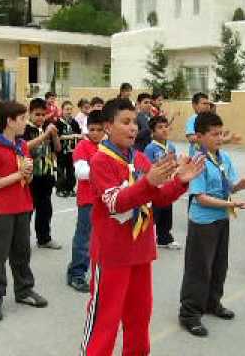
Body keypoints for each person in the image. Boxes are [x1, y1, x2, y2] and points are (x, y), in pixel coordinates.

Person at [79, 98, 205, 355]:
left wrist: (179, 181)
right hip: (113, 254)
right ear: (107, 126)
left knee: (139, 316)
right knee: (105, 320)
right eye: (125, 122)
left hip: (140, 251)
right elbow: (115, 202)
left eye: (135, 122)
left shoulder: (138, 158)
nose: (133, 128)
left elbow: (158, 197)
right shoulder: (100, 161)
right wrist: (148, 183)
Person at [179, 111, 245, 337]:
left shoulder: (224, 158)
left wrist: (240, 185)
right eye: (214, 134)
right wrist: (230, 204)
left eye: (221, 134)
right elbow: (200, 197)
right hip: (203, 221)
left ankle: (212, 302)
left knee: (219, 265)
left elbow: (228, 186)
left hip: (221, 219)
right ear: (199, 137)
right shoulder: (198, 161)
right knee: (199, 267)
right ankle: (190, 313)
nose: (219, 138)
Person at [0, 101, 48, 322]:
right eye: (22, 119)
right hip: (1, 210)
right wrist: (19, 174)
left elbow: (25, 179)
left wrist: (27, 174)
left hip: (23, 206)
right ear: (9, 121)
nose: (25, 122)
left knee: (22, 252)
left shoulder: (21, 145)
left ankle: (24, 290)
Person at [66, 110, 105, 293]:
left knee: (101, 238)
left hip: (106, 200)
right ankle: (76, 273)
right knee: (84, 238)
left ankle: (98, 272)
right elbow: (81, 172)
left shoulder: (108, 146)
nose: (95, 133)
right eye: (92, 129)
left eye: (100, 129)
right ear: (86, 128)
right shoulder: (83, 146)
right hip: (88, 200)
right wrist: (105, 171)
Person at [22, 98, 62, 250]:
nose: (40, 118)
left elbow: (57, 149)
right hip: (31, 176)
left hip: (46, 174)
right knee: (27, 211)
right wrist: (45, 135)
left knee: (45, 209)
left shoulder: (47, 128)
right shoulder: (26, 129)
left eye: (43, 115)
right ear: (30, 113)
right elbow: (25, 147)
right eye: (37, 114)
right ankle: (22, 241)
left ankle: (44, 238)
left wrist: (54, 135)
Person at [144, 115, 181, 250]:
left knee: (167, 211)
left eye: (166, 126)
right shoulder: (150, 148)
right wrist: (162, 163)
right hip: (156, 185)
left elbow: (174, 162)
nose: (164, 130)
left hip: (168, 184)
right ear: (153, 132)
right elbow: (147, 167)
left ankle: (164, 237)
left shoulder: (170, 146)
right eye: (160, 127)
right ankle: (149, 238)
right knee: (155, 212)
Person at [56, 101, 82, 198]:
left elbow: (79, 134)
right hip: (62, 151)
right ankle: (60, 189)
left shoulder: (74, 122)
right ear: (62, 110)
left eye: (71, 109)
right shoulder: (58, 122)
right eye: (67, 109)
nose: (69, 111)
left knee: (71, 171)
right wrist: (71, 136)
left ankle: (70, 188)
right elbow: (58, 136)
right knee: (61, 171)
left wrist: (77, 136)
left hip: (72, 151)